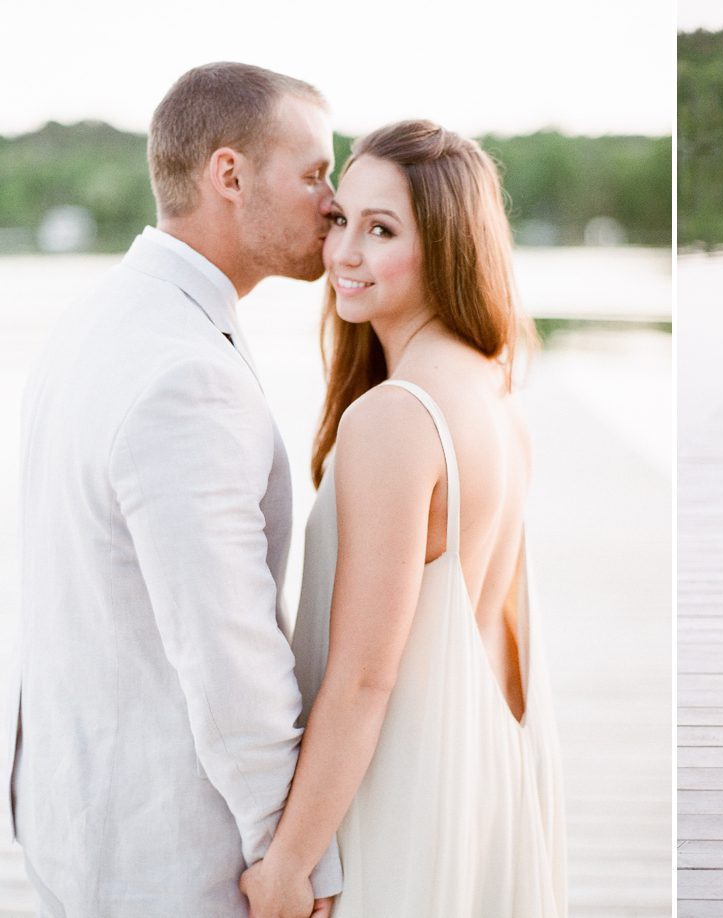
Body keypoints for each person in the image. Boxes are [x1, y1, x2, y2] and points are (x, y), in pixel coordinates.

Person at [1, 62, 341, 915]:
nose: (332, 202)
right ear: (229, 175)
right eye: (313, 174)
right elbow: (225, 647)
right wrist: (287, 857)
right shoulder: (184, 374)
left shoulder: (100, 317)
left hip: (72, 816)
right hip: (167, 855)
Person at [238, 121, 567, 917]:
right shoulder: (492, 389)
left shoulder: (395, 418)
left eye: (381, 230)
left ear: (448, 247)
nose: (344, 252)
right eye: (341, 220)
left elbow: (362, 677)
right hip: (479, 779)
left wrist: (289, 863)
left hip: (397, 796)